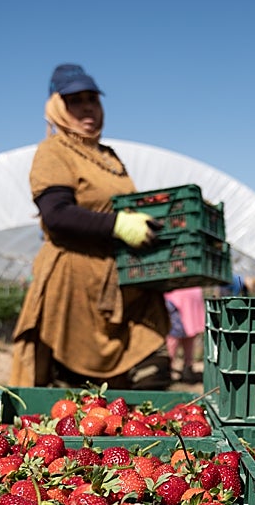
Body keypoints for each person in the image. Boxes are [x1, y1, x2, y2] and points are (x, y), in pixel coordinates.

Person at [10, 63, 170, 390]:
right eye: (75, 101)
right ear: (57, 106)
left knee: (142, 382)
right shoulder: (54, 152)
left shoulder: (110, 157)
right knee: (75, 391)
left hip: (119, 284)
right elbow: (56, 215)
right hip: (74, 286)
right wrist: (117, 225)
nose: (87, 108)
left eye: (92, 100)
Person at [164, 286, 206, 384]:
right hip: (187, 310)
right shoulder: (194, 287)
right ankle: (186, 368)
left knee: (173, 341)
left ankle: (170, 369)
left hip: (178, 307)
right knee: (185, 340)